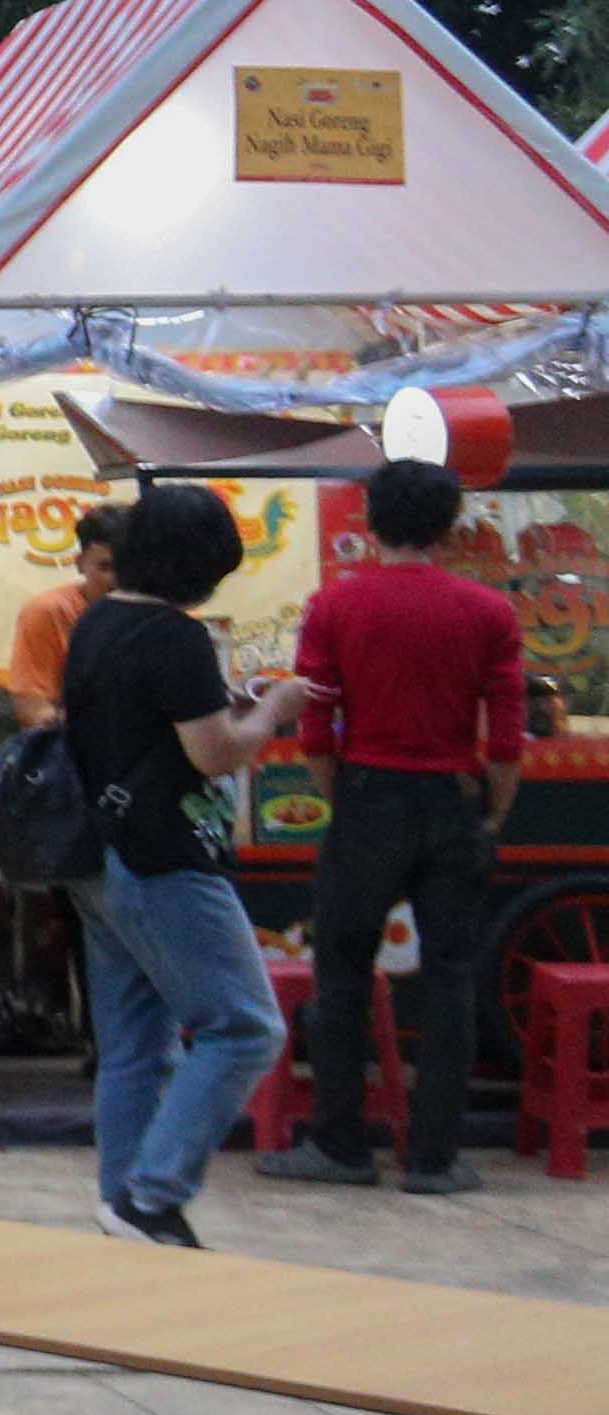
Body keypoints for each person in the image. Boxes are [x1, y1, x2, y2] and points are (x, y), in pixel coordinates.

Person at [261, 455, 524, 1196]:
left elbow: (315, 724)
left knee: (342, 971)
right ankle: (434, 1159)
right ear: (450, 525)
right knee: (450, 977)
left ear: (372, 521)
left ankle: (340, 1146)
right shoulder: (488, 612)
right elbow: (505, 735)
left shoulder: (336, 605)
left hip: (368, 796)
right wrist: (493, 809)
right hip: (453, 797)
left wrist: (342, 790)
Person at [62, 480, 308, 1246]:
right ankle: (153, 1196)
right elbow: (212, 751)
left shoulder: (97, 622)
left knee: (135, 1044)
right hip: (166, 858)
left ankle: (123, 1202)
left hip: (97, 858)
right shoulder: (176, 638)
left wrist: (227, 701)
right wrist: (272, 713)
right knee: (244, 1027)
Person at [5, 505, 128, 731]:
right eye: (105, 567)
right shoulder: (47, 612)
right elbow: (33, 710)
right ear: (80, 563)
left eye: (128, 567)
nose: (117, 580)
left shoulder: (162, 614)